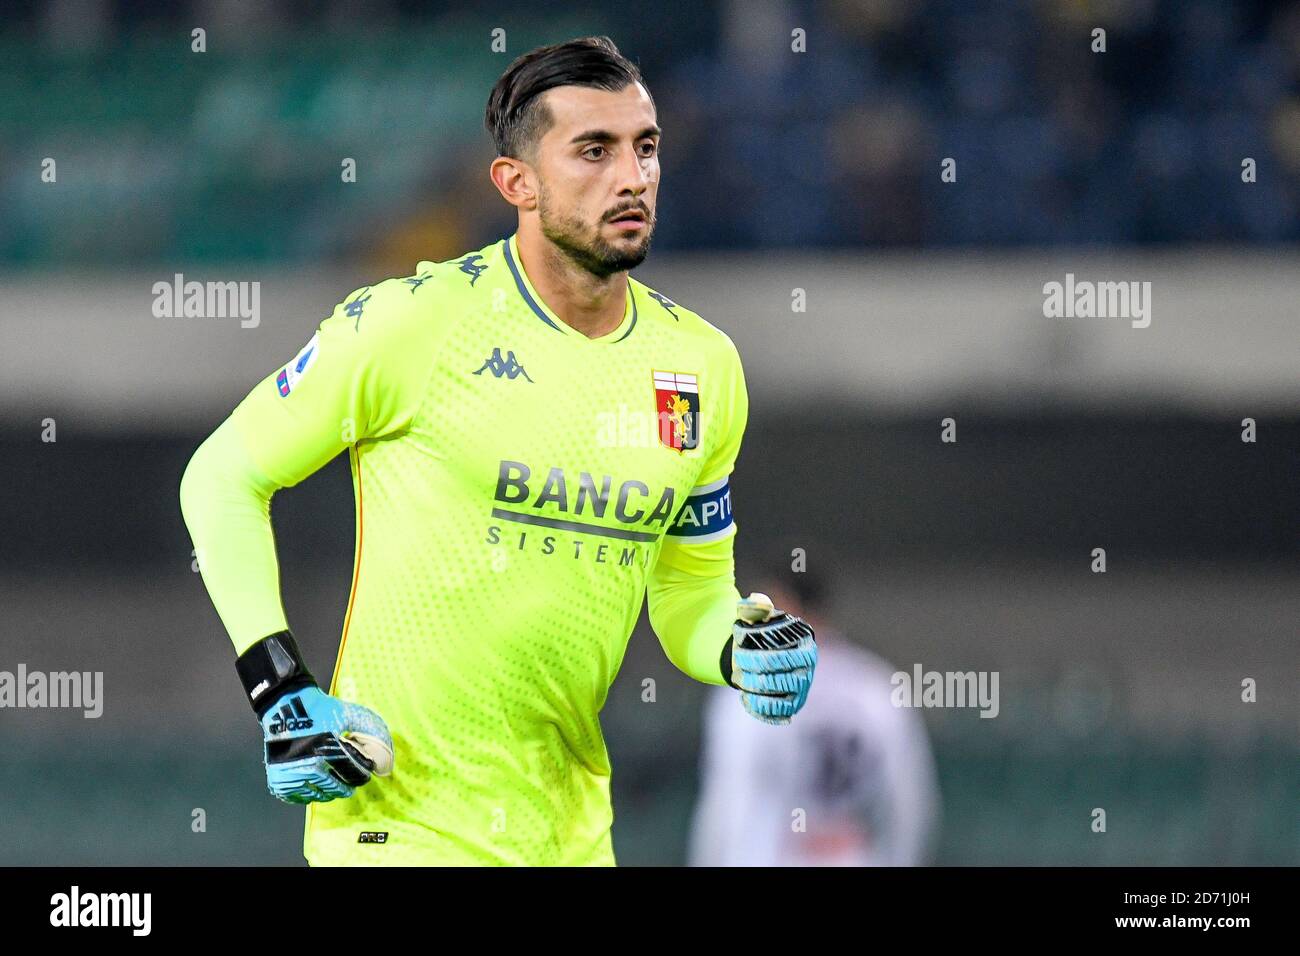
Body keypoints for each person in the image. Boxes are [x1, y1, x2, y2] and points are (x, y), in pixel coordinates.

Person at [179, 36, 816, 866]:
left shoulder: (702, 369)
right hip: (399, 825)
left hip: (573, 835)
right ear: (516, 182)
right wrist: (280, 689)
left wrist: (740, 647)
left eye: (646, 147)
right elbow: (223, 475)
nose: (633, 178)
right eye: (594, 150)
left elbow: (691, 594)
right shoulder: (412, 324)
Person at [689, 570, 939, 866]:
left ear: (789, 609)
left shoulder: (753, 684)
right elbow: (909, 801)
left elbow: (727, 799)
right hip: (853, 857)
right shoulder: (876, 685)